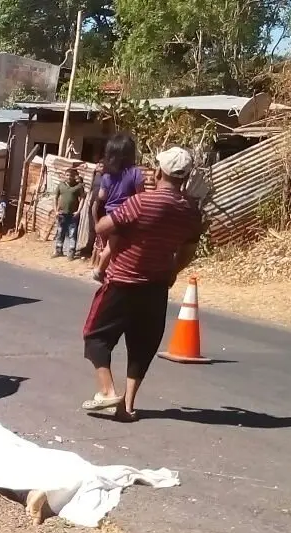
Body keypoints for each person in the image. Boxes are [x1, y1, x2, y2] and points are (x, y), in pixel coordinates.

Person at [80, 146, 204, 421]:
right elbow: (188, 250)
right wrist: (173, 271)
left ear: (159, 171)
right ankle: (128, 406)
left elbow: (102, 228)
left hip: (122, 282)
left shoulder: (141, 203)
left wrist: (97, 208)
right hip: (156, 287)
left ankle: (108, 391)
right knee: (142, 346)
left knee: (95, 336)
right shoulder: (190, 212)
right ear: (184, 177)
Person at [83, 133, 145, 264]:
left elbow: (102, 196)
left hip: (109, 215)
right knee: (113, 246)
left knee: (109, 244)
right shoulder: (135, 172)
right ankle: (99, 270)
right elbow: (140, 195)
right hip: (128, 215)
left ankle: (104, 268)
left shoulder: (107, 176)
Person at [52, 165, 86, 259]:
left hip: (73, 214)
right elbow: (55, 198)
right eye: (67, 175)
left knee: (72, 233)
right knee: (60, 232)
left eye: (71, 175)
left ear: (74, 176)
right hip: (62, 213)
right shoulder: (61, 185)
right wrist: (55, 210)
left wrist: (79, 211)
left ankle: (71, 252)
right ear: (64, 175)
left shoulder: (78, 186)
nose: (69, 177)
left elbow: (82, 198)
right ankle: (58, 250)